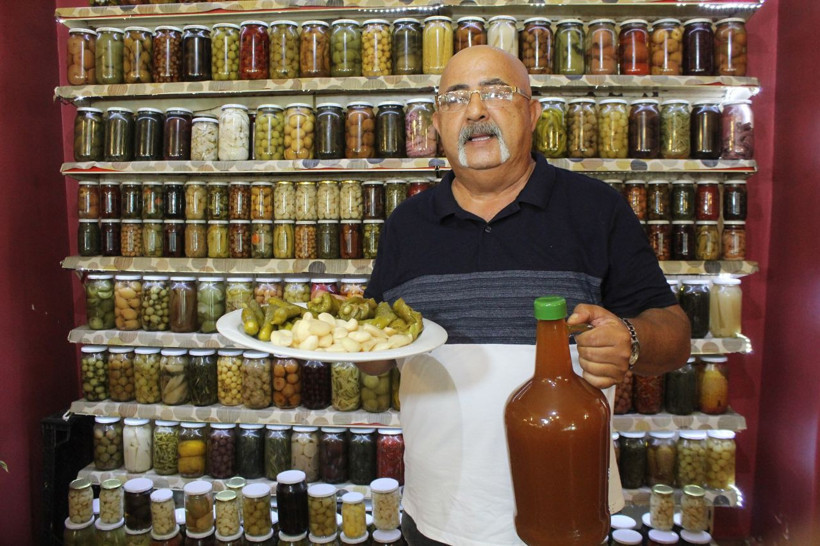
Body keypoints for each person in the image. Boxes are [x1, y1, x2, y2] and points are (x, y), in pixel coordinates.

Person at [363, 45, 691, 546]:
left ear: (533, 112)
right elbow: (373, 361)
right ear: (436, 121)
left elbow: (675, 335)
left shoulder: (595, 208)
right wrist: (349, 341)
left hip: (570, 514)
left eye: (496, 92)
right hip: (438, 516)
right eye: (456, 98)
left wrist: (631, 338)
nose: (475, 110)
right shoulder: (406, 225)